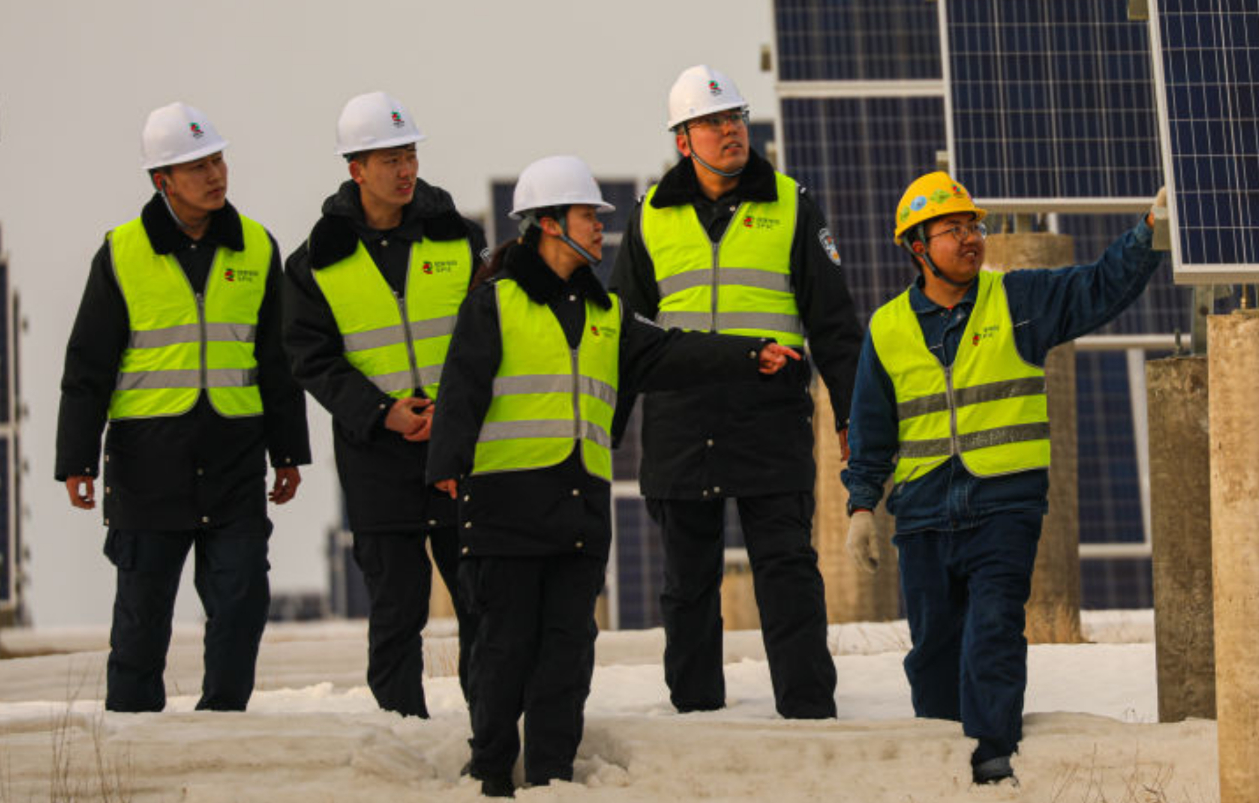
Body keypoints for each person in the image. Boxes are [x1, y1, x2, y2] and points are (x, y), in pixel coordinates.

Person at [427, 155, 804, 797]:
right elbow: (460, 393)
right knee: (502, 649)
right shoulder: (495, 303)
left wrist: (749, 353)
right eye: (587, 216)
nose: (601, 227)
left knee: (567, 653)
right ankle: (490, 772)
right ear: (548, 224)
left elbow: (674, 350)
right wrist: (446, 470)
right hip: (503, 511)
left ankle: (550, 777)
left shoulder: (607, 314)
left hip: (577, 509)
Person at [841, 172, 1166, 785]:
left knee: (993, 632)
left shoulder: (1017, 300)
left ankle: (992, 760)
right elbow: (872, 428)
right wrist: (862, 508)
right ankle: (943, 759)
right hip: (924, 514)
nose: (971, 238)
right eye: (954, 229)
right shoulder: (886, 328)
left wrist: (1148, 234)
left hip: (1003, 506)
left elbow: (1098, 287)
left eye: (975, 226)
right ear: (917, 246)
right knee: (934, 650)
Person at [610, 64, 860, 719]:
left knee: (787, 571)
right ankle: (696, 715)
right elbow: (620, 336)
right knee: (687, 585)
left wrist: (852, 416)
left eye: (736, 118)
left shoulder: (792, 205)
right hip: (678, 424)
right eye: (713, 122)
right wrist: (602, 431)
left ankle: (809, 714)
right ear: (682, 140)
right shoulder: (649, 218)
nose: (731, 132)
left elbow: (835, 325)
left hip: (770, 420)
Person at [55, 101, 311, 712]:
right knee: (141, 620)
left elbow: (276, 361)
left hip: (234, 461)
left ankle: (222, 723)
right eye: (197, 167)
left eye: (218, 160)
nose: (215, 175)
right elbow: (88, 366)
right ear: (162, 180)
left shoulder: (256, 247)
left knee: (242, 601)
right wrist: (76, 461)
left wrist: (289, 453)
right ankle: (133, 738)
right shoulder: (122, 252)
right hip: (148, 466)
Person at [283, 92, 482, 718]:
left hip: (458, 449)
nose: (405, 170)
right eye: (390, 159)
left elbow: (491, 335)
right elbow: (312, 360)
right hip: (376, 458)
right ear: (356, 169)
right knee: (397, 608)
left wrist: (452, 412)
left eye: (410, 155)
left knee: (482, 600)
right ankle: (403, 734)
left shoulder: (460, 239)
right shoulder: (316, 263)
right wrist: (382, 413)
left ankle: (492, 728)